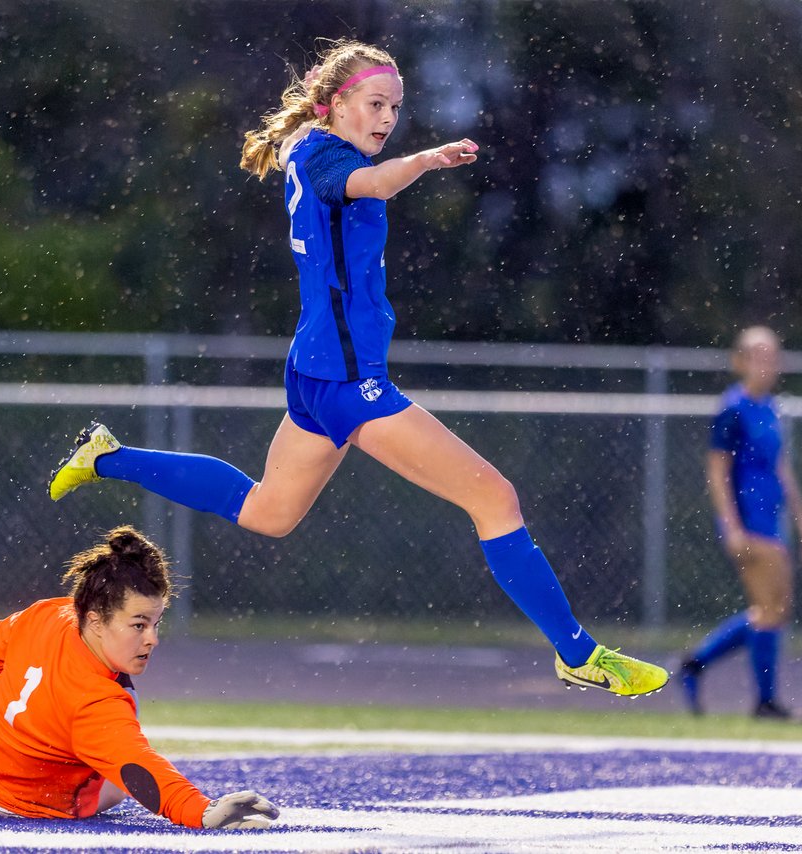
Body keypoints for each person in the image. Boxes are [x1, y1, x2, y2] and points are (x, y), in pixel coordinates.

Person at [48, 39, 667, 698]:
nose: (386, 119)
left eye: (395, 108)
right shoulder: (324, 157)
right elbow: (370, 183)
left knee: (267, 511)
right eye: (375, 104)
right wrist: (425, 160)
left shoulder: (313, 148)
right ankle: (578, 652)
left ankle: (106, 456)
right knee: (495, 499)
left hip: (318, 372)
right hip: (347, 382)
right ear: (335, 103)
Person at [0, 525, 279, 829]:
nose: (153, 639)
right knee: (115, 781)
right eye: (139, 624)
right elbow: (139, 767)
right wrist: (202, 813)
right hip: (17, 801)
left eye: (156, 622)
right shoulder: (101, 703)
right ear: (96, 620)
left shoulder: (49, 613)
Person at [680, 326, 802, 719]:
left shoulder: (770, 409)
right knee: (770, 610)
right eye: (759, 357)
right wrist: (732, 527)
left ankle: (696, 664)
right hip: (748, 522)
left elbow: (781, 469)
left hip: (770, 520)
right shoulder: (733, 408)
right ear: (739, 361)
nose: (768, 365)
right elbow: (717, 471)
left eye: (773, 357)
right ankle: (763, 701)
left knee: (772, 610)